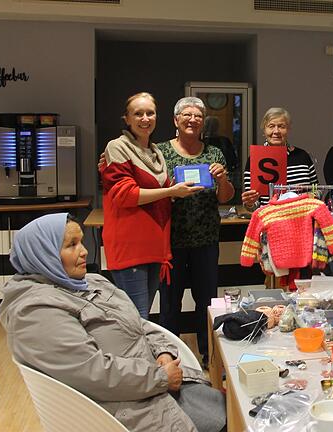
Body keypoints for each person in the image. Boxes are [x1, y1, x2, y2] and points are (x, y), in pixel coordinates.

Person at [0, 213, 226, 432]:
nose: (84, 251)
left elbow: (139, 325)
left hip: (153, 385)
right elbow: (93, 372)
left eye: (81, 242)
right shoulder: (36, 312)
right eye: (72, 245)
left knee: (239, 409)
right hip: (130, 408)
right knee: (237, 417)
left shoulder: (89, 281)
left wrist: (162, 352)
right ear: (43, 254)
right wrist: (160, 378)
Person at [101, 92, 202, 319]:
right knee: (137, 319)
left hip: (155, 248)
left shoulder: (155, 153)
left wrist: (175, 191)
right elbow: (124, 195)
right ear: (126, 118)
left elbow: (158, 198)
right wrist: (170, 191)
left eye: (150, 113)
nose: (145, 118)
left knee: (141, 316)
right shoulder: (117, 147)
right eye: (138, 114)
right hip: (131, 247)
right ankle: (137, 356)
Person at [158, 97, 235, 366]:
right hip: (170, 241)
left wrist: (222, 179)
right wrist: (169, 191)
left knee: (207, 301)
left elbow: (225, 197)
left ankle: (208, 357)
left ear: (203, 122)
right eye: (186, 115)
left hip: (205, 239)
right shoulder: (158, 153)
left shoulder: (214, 154)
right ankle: (170, 358)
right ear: (175, 121)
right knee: (169, 304)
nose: (192, 120)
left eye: (198, 116)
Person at [241, 107, 318, 209]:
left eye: (281, 126)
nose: (276, 131)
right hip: (270, 220)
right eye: (271, 126)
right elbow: (253, 204)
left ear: (288, 129)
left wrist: (311, 196)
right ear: (264, 130)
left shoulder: (302, 156)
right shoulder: (255, 159)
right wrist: (249, 203)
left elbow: (317, 189)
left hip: (302, 218)